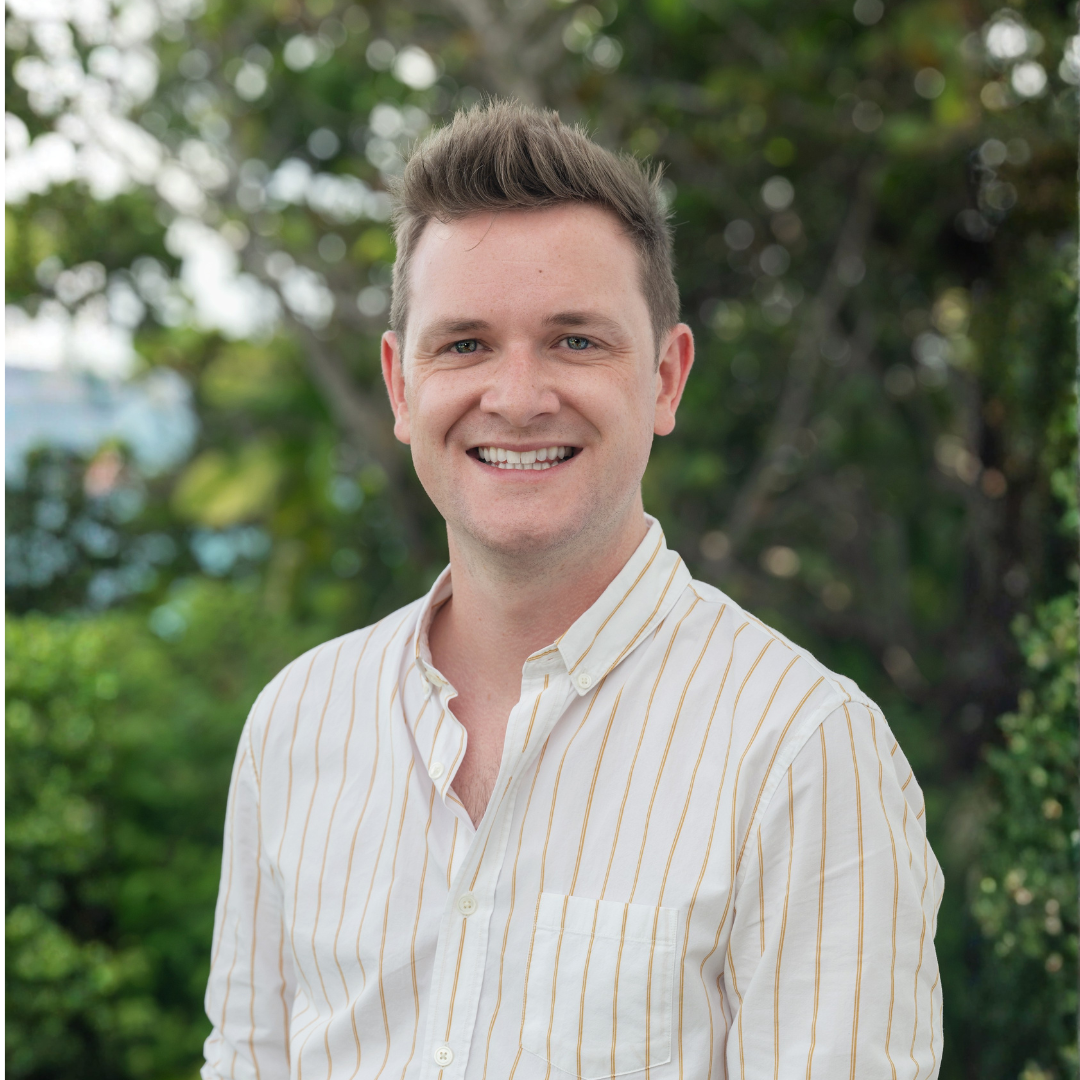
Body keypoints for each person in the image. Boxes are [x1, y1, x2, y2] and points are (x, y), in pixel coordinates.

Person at [202, 101, 942, 1080]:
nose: (517, 398)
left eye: (576, 342)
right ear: (400, 386)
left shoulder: (802, 749)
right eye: (464, 344)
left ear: (667, 378)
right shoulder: (296, 723)